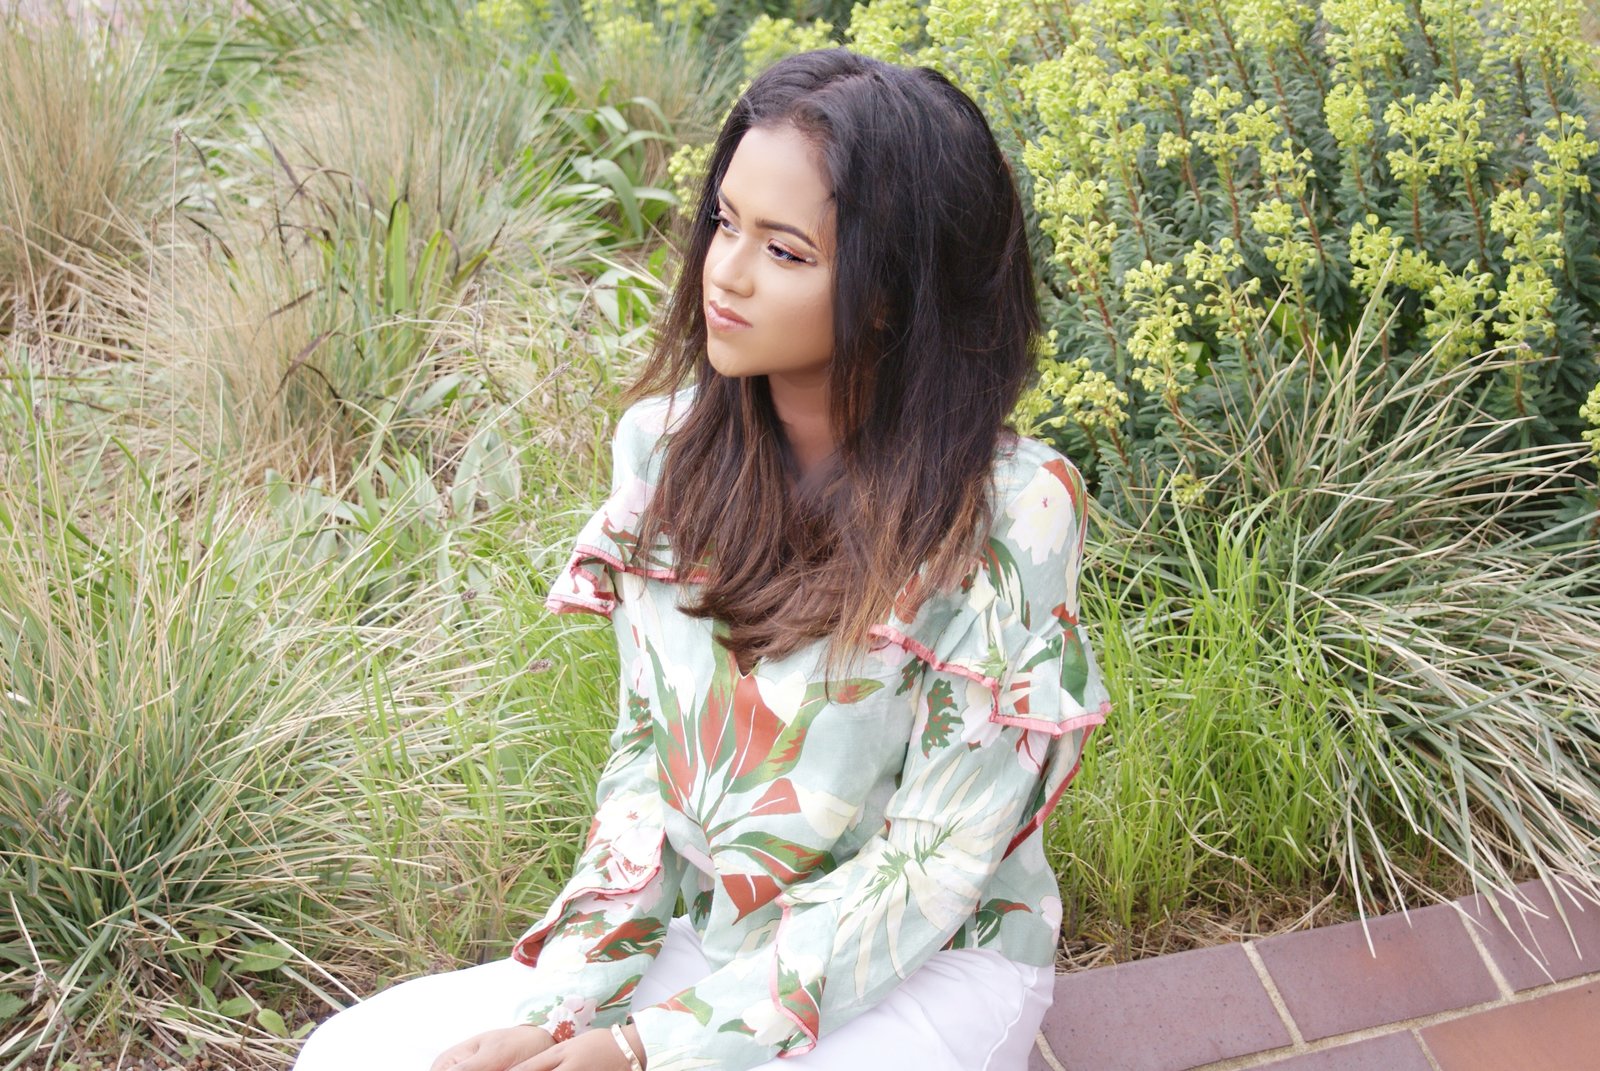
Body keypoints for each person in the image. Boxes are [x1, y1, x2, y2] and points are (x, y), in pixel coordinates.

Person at [292, 47, 1111, 1071]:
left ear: (893, 295)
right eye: (725, 222)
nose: (723, 272)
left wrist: (650, 1051)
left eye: (786, 251)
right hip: (722, 938)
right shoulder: (664, 450)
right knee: (350, 1056)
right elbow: (646, 764)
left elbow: (930, 868)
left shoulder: (1013, 512)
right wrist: (562, 1010)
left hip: (935, 961)